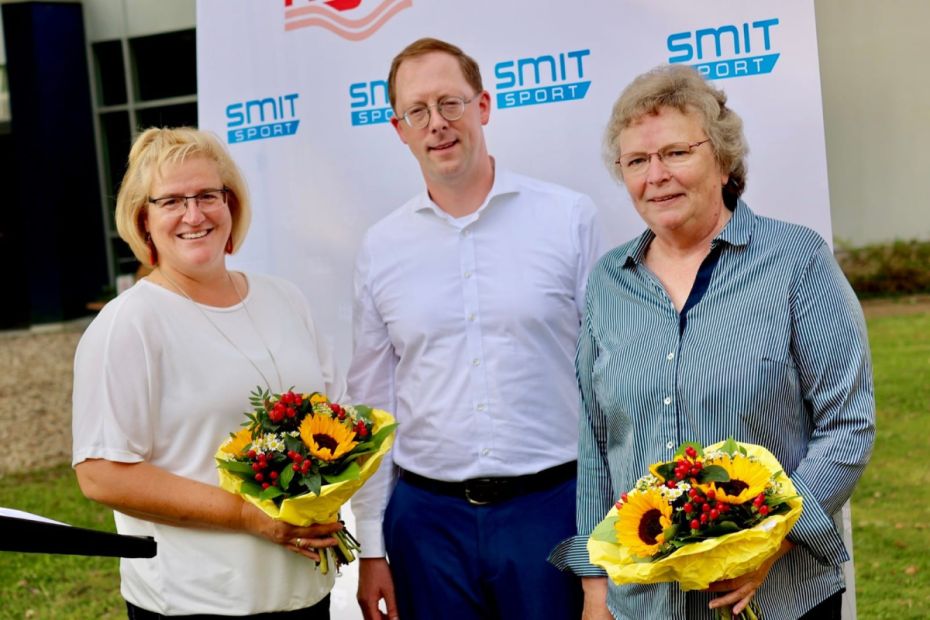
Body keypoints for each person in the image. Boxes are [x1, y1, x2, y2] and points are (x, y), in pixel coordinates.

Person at [551, 64, 876, 619]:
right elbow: (599, 440)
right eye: (636, 161)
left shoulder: (797, 262)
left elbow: (847, 421)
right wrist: (595, 585)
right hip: (646, 605)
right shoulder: (609, 281)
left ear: (723, 159)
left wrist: (774, 538)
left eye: (676, 153)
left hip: (777, 599)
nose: (656, 175)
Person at [348, 38, 603, 620]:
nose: (437, 124)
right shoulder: (380, 247)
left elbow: (609, 379)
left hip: (551, 511)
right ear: (399, 128)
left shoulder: (567, 219)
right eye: (418, 111)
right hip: (426, 523)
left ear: (483, 105)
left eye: (451, 103)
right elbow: (370, 402)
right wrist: (371, 545)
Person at [72, 127, 344, 619]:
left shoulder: (286, 299)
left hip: (306, 592)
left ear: (231, 205)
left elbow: (335, 425)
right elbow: (100, 474)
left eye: (207, 196)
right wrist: (248, 515)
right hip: (196, 602)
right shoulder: (129, 323)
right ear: (143, 219)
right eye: (171, 201)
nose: (194, 215)